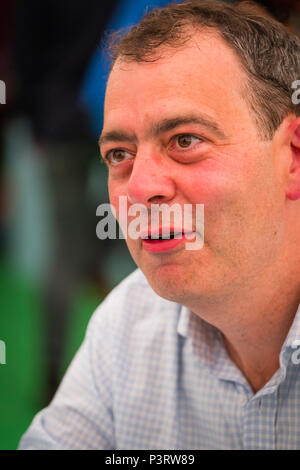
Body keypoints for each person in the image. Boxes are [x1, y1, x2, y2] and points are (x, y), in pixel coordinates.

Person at [19, 0, 300, 449]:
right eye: (119, 155)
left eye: (185, 140)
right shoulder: (127, 323)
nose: (139, 188)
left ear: (293, 156)